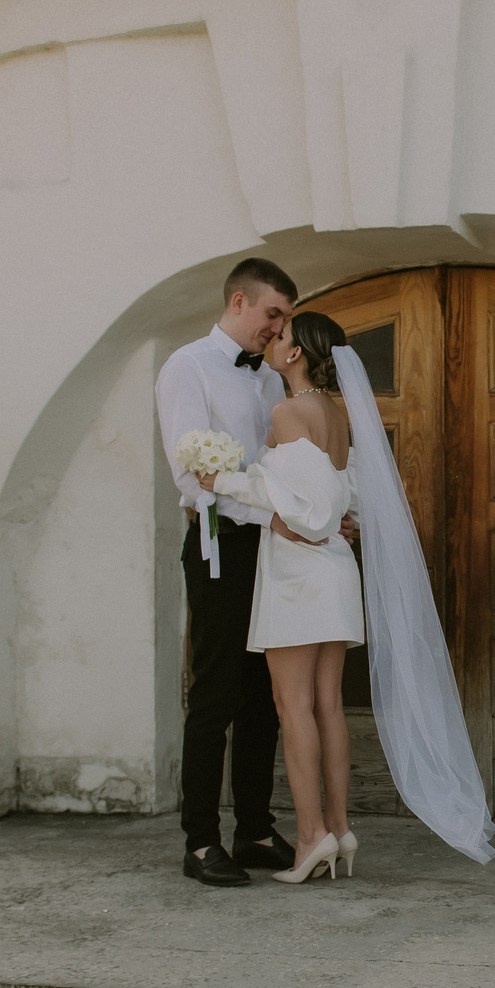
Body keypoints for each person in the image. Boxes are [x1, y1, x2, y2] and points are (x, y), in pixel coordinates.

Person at [197, 312, 364, 884]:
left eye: (283, 335)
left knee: (292, 707)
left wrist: (220, 481)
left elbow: (303, 507)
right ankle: (339, 828)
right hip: (335, 570)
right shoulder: (335, 414)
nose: (274, 340)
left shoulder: (289, 412)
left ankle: (312, 838)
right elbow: (340, 499)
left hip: (300, 574)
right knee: (328, 705)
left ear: (296, 355)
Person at [155, 257, 302, 888]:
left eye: (285, 319)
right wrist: (273, 515)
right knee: (216, 690)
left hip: (271, 545)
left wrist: (306, 513)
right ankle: (199, 841)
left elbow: (277, 467)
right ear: (238, 301)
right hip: (220, 543)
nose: (278, 328)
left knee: (265, 692)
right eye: (273, 314)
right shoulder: (187, 367)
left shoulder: (270, 380)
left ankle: (254, 829)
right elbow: (193, 477)